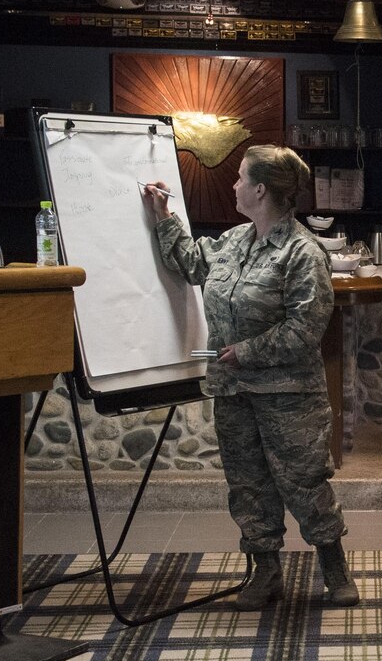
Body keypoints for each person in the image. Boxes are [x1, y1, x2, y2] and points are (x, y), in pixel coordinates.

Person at [142, 146, 358, 609]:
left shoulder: (303, 252)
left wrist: (246, 351)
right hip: (234, 392)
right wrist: (163, 217)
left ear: (261, 190)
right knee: (248, 484)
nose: (233, 185)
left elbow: (306, 329)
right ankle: (265, 573)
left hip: (289, 395)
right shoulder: (235, 240)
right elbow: (192, 262)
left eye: (240, 178)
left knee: (305, 482)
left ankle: (335, 568)